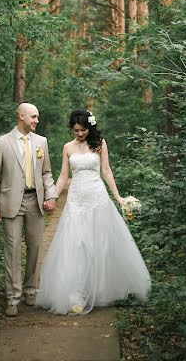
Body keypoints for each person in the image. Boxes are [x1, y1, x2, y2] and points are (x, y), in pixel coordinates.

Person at [36, 108, 151, 315]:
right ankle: (76, 294)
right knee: (77, 245)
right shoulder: (67, 147)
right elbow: (63, 176)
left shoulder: (99, 144)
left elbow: (106, 171)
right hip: (76, 200)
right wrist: (52, 196)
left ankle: (100, 290)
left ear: (90, 127)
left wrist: (118, 197)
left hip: (97, 198)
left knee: (100, 245)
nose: (79, 134)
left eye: (83, 130)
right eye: (76, 130)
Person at [0, 102, 58, 317]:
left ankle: (30, 291)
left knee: (35, 249)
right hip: (10, 204)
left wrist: (52, 195)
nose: (37, 120)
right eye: (34, 117)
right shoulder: (2, 143)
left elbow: (46, 173)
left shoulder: (41, 142)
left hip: (35, 202)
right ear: (21, 116)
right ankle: (12, 298)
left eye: (37, 117)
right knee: (13, 250)